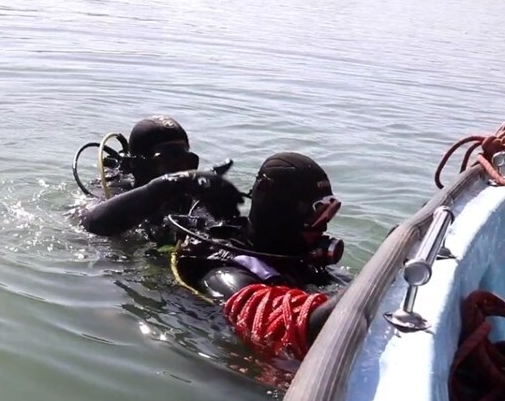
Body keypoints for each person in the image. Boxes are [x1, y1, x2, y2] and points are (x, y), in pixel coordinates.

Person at [167, 151, 352, 363]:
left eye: (329, 212)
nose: (323, 225)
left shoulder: (298, 257)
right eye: (315, 212)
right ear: (269, 199)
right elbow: (291, 326)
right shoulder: (225, 274)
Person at [75, 115, 242, 246]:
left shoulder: (194, 198)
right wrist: (166, 185)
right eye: (168, 162)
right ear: (135, 165)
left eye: (188, 162)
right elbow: (90, 223)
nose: (180, 170)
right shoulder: (113, 188)